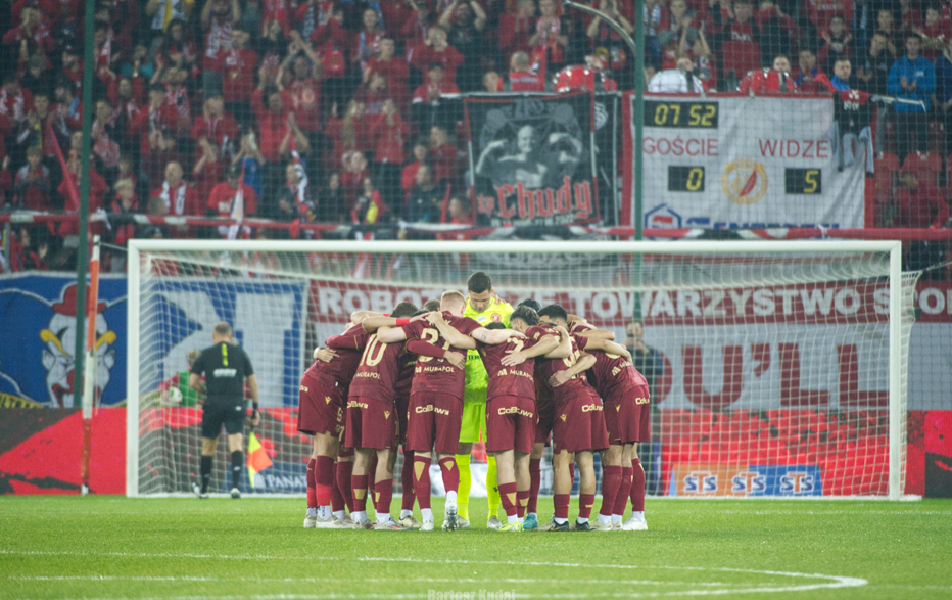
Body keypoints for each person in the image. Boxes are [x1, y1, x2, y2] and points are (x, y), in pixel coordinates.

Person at [374, 290, 519, 531]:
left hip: (420, 392)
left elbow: (383, 334)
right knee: (447, 455)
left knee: (421, 455)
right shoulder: (465, 323)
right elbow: (490, 337)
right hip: (450, 393)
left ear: (440, 307)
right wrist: (513, 332)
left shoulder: (422, 322)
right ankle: (452, 503)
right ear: (463, 308)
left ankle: (427, 519)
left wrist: (410, 325)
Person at [533, 304, 609, 531]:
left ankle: (560, 521)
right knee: (586, 462)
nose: (539, 326)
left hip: (571, 400)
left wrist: (566, 373)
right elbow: (591, 358)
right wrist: (571, 370)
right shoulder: (573, 340)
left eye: (542, 322)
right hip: (592, 399)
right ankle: (583, 520)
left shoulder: (544, 342)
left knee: (561, 461)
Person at [570, 320, 651, 531]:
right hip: (638, 384)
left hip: (623, 391)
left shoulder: (579, 344)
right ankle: (626, 517)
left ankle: (607, 519)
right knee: (629, 455)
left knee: (614, 455)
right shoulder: (601, 343)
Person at [451, 271, 515, 529]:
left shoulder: (506, 311)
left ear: (492, 292)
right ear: (467, 294)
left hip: (493, 393)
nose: (479, 305)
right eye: (475, 300)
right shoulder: (459, 310)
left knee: (496, 454)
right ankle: (462, 514)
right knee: (461, 452)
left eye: (484, 300)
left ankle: (493, 514)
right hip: (463, 393)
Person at [189, 322, 258, 499]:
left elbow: (192, 382)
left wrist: (205, 391)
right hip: (235, 403)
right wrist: (255, 409)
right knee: (236, 444)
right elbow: (252, 382)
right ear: (231, 335)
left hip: (213, 403)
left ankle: (204, 490)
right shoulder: (240, 353)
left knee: (208, 447)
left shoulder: (206, 354)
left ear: (213, 336)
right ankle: (235, 487)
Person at [887, 33, 936, 161]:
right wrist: (901, 87)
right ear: (905, 45)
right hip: (901, 110)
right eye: (910, 43)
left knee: (922, 143)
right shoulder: (897, 64)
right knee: (901, 143)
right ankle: (901, 170)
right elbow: (890, 87)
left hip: (921, 111)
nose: (912, 46)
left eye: (915, 44)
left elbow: (932, 87)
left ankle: (921, 170)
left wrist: (917, 86)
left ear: (920, 45)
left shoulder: (927, 64)